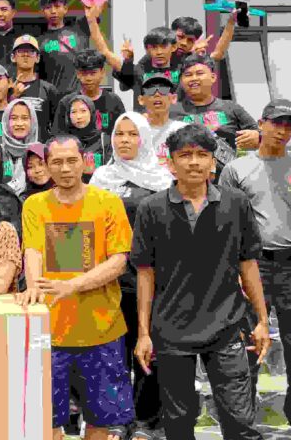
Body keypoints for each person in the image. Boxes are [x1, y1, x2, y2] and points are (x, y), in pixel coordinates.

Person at [131, 124, 271, 440]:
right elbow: (145, 274)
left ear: (213, 161)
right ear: (171, 162)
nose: (194, 162)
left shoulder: (236, 204)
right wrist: (143, 333)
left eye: (202, 154)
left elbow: (248, 265)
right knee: (178, 424)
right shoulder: (151, 209)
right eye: (185, 155)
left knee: (240, 423)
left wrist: (262, 321)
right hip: (171, 330)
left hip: (227, 326)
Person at [219, 100, 291, 440]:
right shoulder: (237, 170)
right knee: (248, 350)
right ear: (261, 124)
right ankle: (242, 427)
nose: (282, 131)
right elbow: (224, 223)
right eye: (276, 123)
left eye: (290, 126)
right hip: (251, 268)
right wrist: (231, 271)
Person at [16, 134, 135, 440]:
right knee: (47, 421)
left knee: (100, 421)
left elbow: (119, 261)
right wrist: (34, 286)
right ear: (47, 166)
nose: (65, 168)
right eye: (57, 162)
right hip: (50, 333)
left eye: (72, 160)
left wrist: (72, 286)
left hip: (102, 330)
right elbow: (33, 251)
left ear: (85, 161)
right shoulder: (35, 205)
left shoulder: (108, 203)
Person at [90, 112, 175, 434]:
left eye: (132, 134)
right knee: (113, 353)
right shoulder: (101, 178)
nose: (124, 140)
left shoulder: (162, 179)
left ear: (144, 138)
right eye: (119, 134)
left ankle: (146, 420)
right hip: (108, 279)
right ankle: (118, 418)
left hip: (151, 277)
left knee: (149, 349)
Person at [170, 54, 260, 179]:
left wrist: (258, 137)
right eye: (188, 75)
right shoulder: (171, 112)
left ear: (213, 77)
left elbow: (262, 136)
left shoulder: (231, 108)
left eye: (199, 73)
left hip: (227, 181)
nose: (194, 78)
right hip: (186, 180)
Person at [52, 49, 126, 138]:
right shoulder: (66, 103)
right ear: (78, 74)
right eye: (84, 73)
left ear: (102, 72)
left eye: (93, 73)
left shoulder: (114, 101)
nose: (88, 78)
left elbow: (122, 133)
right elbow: (58, 138)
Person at [37, 0, 90, 94]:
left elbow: (98, 5)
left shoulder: (80, 30)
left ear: (65, 9)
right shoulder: (39, 42)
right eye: (48, 7)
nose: (53, 11)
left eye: (57, 6)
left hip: (78, 97)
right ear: (42, 11)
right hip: (52, 98)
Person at [8, 35, 59, 141]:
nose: (26, 55)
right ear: (13, 57)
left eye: (31, 51)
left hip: (39, 146)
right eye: (21, 51)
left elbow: (56, 125)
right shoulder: (6, 86)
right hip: (11, 145)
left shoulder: (48, 89)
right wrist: (13, 96)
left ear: (37, 58)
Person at [56, 94, 109, 182]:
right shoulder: (63, 142)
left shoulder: (104, 140)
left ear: (91, 112)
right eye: (73, 112)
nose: (78, 116)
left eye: (83, 111)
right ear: (68, 115)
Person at [138, 75, 187, 169]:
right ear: (141, 100)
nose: (157, 94)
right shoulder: (133, 131)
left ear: (173, 98)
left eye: (164, 90)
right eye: (150, 90)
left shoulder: (183, 130)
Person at [1, 99, 40, 196]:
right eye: (14, 118)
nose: (19, 123)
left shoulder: (41, 152)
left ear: (33, 121)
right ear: (6, 121)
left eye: (25, 118)